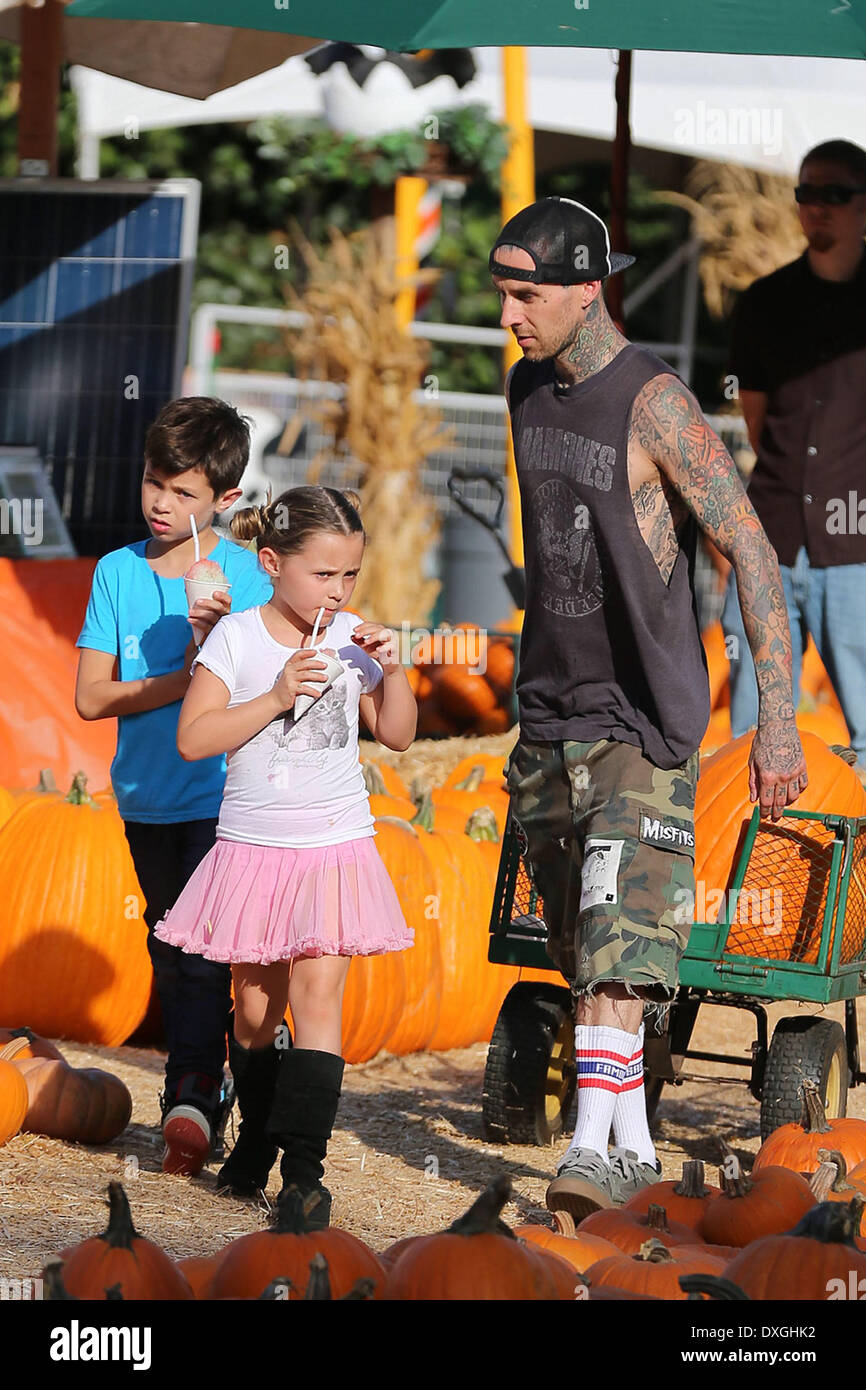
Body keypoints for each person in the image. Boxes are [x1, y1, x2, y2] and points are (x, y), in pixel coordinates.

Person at [489, 197, 807, 1219]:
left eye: (525, 294)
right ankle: (627, 1142)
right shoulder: (522, 391)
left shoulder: (656, 405)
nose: (508, 315)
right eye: (502, 293)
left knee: (622, 931)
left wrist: (778, 722)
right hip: (549, 713)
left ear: (588, 287)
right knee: (585, 948)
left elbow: (749, 551)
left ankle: (588, 1152)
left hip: (645, 720)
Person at [152, 486, 416, 1227]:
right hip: (253, 849)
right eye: (322, 575)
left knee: (318, 996)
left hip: (332, 845)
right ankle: (257, 1146)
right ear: (272, 563)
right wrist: (272, 695)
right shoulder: (236, 638)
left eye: (349, 577)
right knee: (254, 1012)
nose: (337, 591)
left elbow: (397, 735)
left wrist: (394, 671)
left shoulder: (352, 638)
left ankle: (304, 1173)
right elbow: (194, 739)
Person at [75, 397, 273, 1176]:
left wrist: (223, 636)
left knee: (200, 953)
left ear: (223, 501)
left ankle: (188, 1098)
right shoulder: (116, 573)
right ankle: (218, 1078)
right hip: (145, 795)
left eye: (183, 492)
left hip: (223, 795)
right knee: (167, 945)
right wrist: (184, 674)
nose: (162, 503)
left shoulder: (251, 580)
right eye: (154, 482)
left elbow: (270, 683)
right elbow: (92, 696)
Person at [721, 140, 866, 769]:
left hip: (857, 544)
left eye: (836, 194)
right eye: (808, 193)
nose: (818, 207)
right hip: (770, 538)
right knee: (748, 739)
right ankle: (750, 864)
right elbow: (758, 422)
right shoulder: (765, 302)